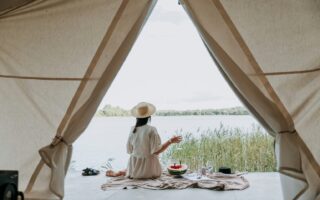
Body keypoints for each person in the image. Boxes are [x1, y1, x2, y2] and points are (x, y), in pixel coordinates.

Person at [106, 102, 182, 178]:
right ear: (149, 117)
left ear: (137, 117)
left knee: (135, 160)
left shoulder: (132, 129)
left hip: (133, 169)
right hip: (149, 171)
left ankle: (122, 172)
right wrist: (170, 141)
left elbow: (129, 150)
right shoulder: (151, 130)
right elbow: (156, 151)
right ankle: (122, 172)